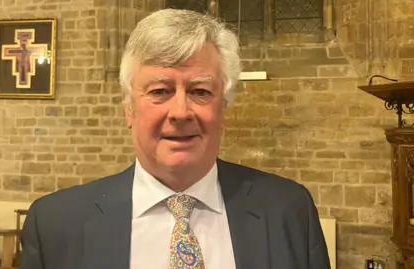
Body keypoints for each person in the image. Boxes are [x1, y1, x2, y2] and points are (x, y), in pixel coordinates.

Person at [19, 8, 331, 269]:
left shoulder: (288, 211)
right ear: (129, 109)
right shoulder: (55, 225)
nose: (181, 112)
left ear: (223, 108)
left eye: (200, 91)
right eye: (159, 91)